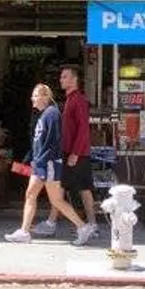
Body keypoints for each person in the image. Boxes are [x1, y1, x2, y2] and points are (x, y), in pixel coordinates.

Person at [4, 84, 96, 245]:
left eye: (35, 95)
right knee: (31, 195)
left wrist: (42, 161)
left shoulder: (52, 114)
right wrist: (30, 161)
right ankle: (24, 231)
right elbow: (38, 143)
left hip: (48, 164)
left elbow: (54, 142)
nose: (32, 98)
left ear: (45, 96)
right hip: (41, 164)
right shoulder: (42, 115)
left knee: (56, 200)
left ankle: (82, 226)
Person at [32, 66, 97, 238]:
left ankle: (90, 224)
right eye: (61, 77)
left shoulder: (79, 100)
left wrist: (75, 153)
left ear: (74, 79)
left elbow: (83, 129)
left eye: (64, 76)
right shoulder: (70, 99)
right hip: (68, 152)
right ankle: (54, 222)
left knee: (83, 188)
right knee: (61, 188)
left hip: (77, 153)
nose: (61, 79)